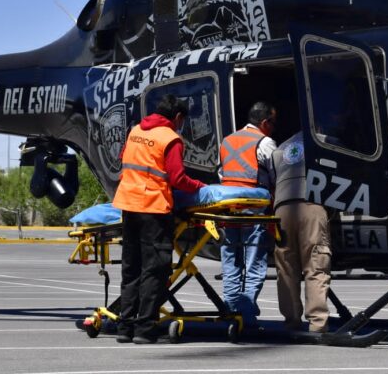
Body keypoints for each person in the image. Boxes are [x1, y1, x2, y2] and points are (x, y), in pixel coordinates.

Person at [112, 94, 207, 344]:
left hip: (128, 205)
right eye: (181, 120)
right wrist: (200, 187)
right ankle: (145, 327)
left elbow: (124, 160)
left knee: (131, 267)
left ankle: (125, 326)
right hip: (153, 208)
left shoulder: (134, 131)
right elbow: (177, 178)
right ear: (177, 117)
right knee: (154, 269)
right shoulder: (170, 138)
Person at [219, 101, 277, 328]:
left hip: (227, 208)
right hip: (254, 208)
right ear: (264, 123)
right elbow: (275, 176)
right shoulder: (265, 143)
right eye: (273, 122)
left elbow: (222, 172)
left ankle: (232, 308)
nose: (274, 127)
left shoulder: (227, 140)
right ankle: (246, 312)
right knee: (254, 260)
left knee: (231, 258)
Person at [273, 131, 332, 333]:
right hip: (311, 204)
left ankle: (291, 322)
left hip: (281, 208)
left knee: (286, 268)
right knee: (315, 264)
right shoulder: (325, 141)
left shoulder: (281, 148)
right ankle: (318, 324)